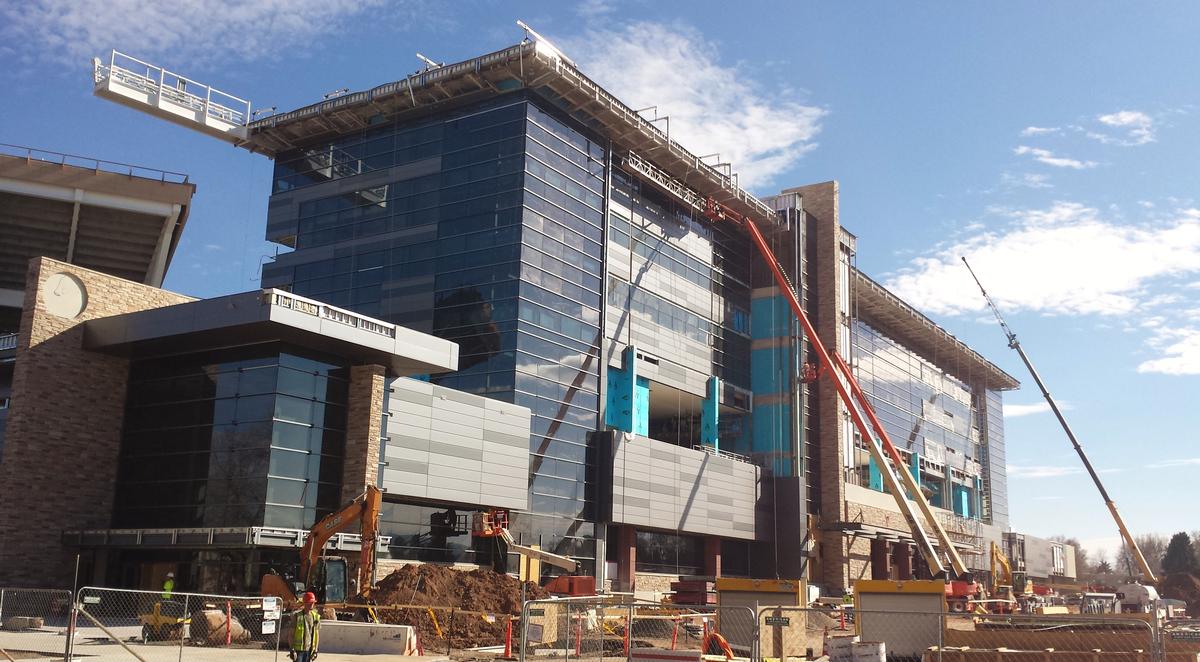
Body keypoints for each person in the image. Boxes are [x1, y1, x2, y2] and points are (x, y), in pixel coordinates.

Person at [291, 592, 320, 662]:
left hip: (309, 650)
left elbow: (317, 634)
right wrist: (292, 649)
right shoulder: (297, 616)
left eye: (313, 602)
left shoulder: (315, 617)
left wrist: (315, 649)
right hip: (298, 650)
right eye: (310, 602)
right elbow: (291, 634)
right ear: (305, 603)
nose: (312, 604)